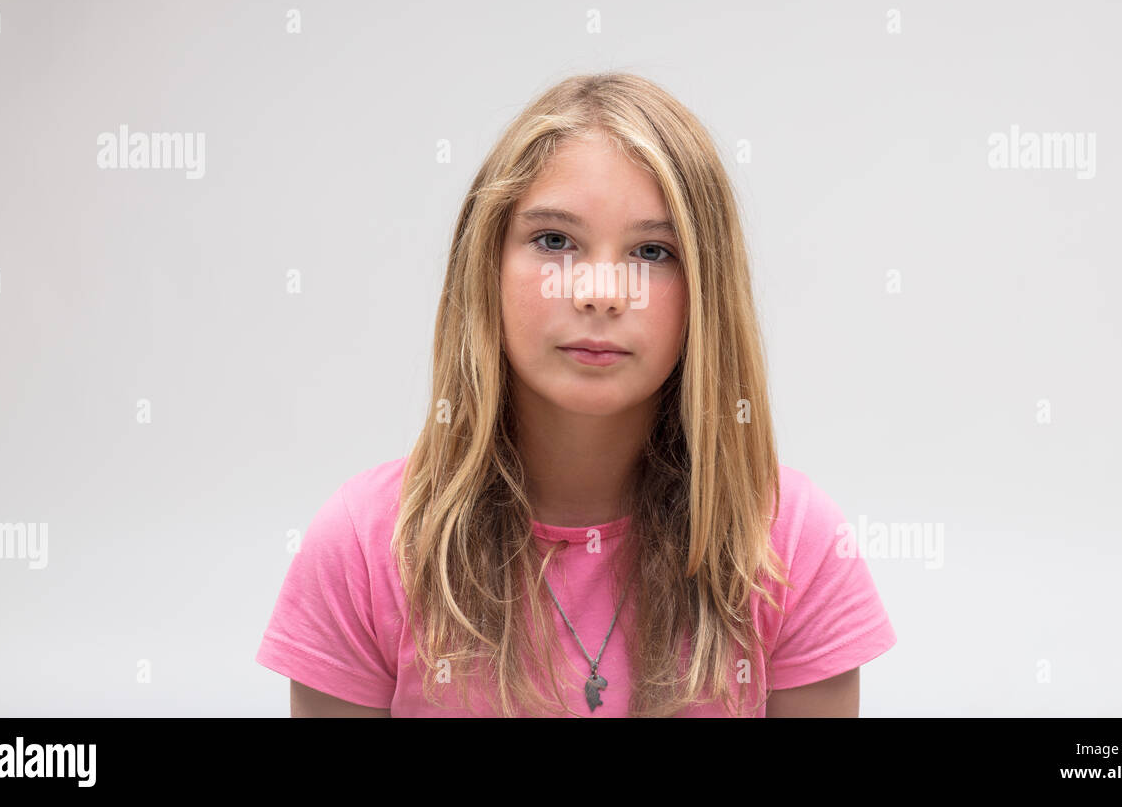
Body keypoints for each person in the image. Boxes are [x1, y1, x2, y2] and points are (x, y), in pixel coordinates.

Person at [255, 71, 897, 716]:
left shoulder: (791, 545)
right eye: (555, 241)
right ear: (486, 266)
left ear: (706, 291)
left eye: (651, 251)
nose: (600, 292)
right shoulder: (366, 547)